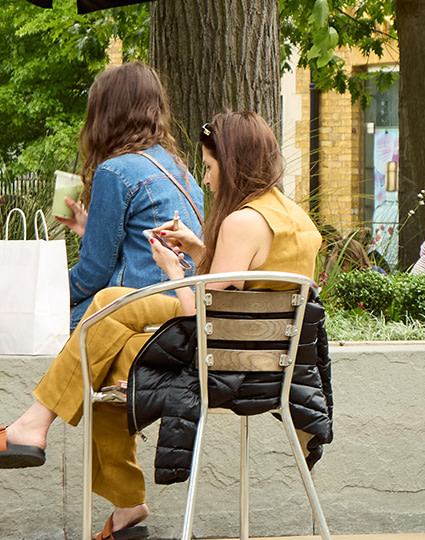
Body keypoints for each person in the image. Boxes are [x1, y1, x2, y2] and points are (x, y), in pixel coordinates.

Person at [0, 112, 327, 540]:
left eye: (210, 168)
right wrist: (197, 247)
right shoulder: (293, 219)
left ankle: (68, 452)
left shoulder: (240, 221)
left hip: (222, 362)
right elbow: (246, 286)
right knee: (108, 311)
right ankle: (77, 464)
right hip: (267, 361)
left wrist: (175, 270)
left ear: (233, 164)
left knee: (103, 351)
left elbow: (202, 316)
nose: (208, 181)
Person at [58, 61, 204, 329]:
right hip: (185, 305)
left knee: (47, 324)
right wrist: (90, 229)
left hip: (143, 309)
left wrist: (47, 293)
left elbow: (92, 275)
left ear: (106, 115)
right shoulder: (179, 169)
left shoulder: (114, 171)